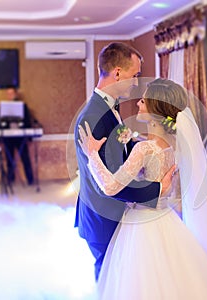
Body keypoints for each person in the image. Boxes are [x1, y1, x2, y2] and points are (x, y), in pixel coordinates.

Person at [78, 78, 207, 299]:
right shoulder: (174, 145)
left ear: (155, 108)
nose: (138, 104)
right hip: (166, 218)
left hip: (141, 225)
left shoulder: (144, 149)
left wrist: (92, 155)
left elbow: (111, 187)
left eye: (143, 100)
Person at [74, 43, 174, 281]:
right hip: (103, 216)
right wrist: (158, 189)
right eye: (135, 75)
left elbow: (120, 153)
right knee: (109, 277)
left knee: (122, 277)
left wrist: (141, 147)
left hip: (116, 213)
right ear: (117, 73)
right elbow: (108, 185)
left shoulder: (110, 108)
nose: (136, 82)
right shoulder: (93, 117)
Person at [0, 87, 34, 185]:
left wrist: (29, 138)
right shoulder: (3, 107)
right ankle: (10, 180)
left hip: (21, 137)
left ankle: (30, 180)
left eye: (12, 93)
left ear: (16, 94)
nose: (10, 95)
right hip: (8, 138)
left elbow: (28, 121)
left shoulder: (23, 106)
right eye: (8, 94)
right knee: (9, 160)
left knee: (25, 158)